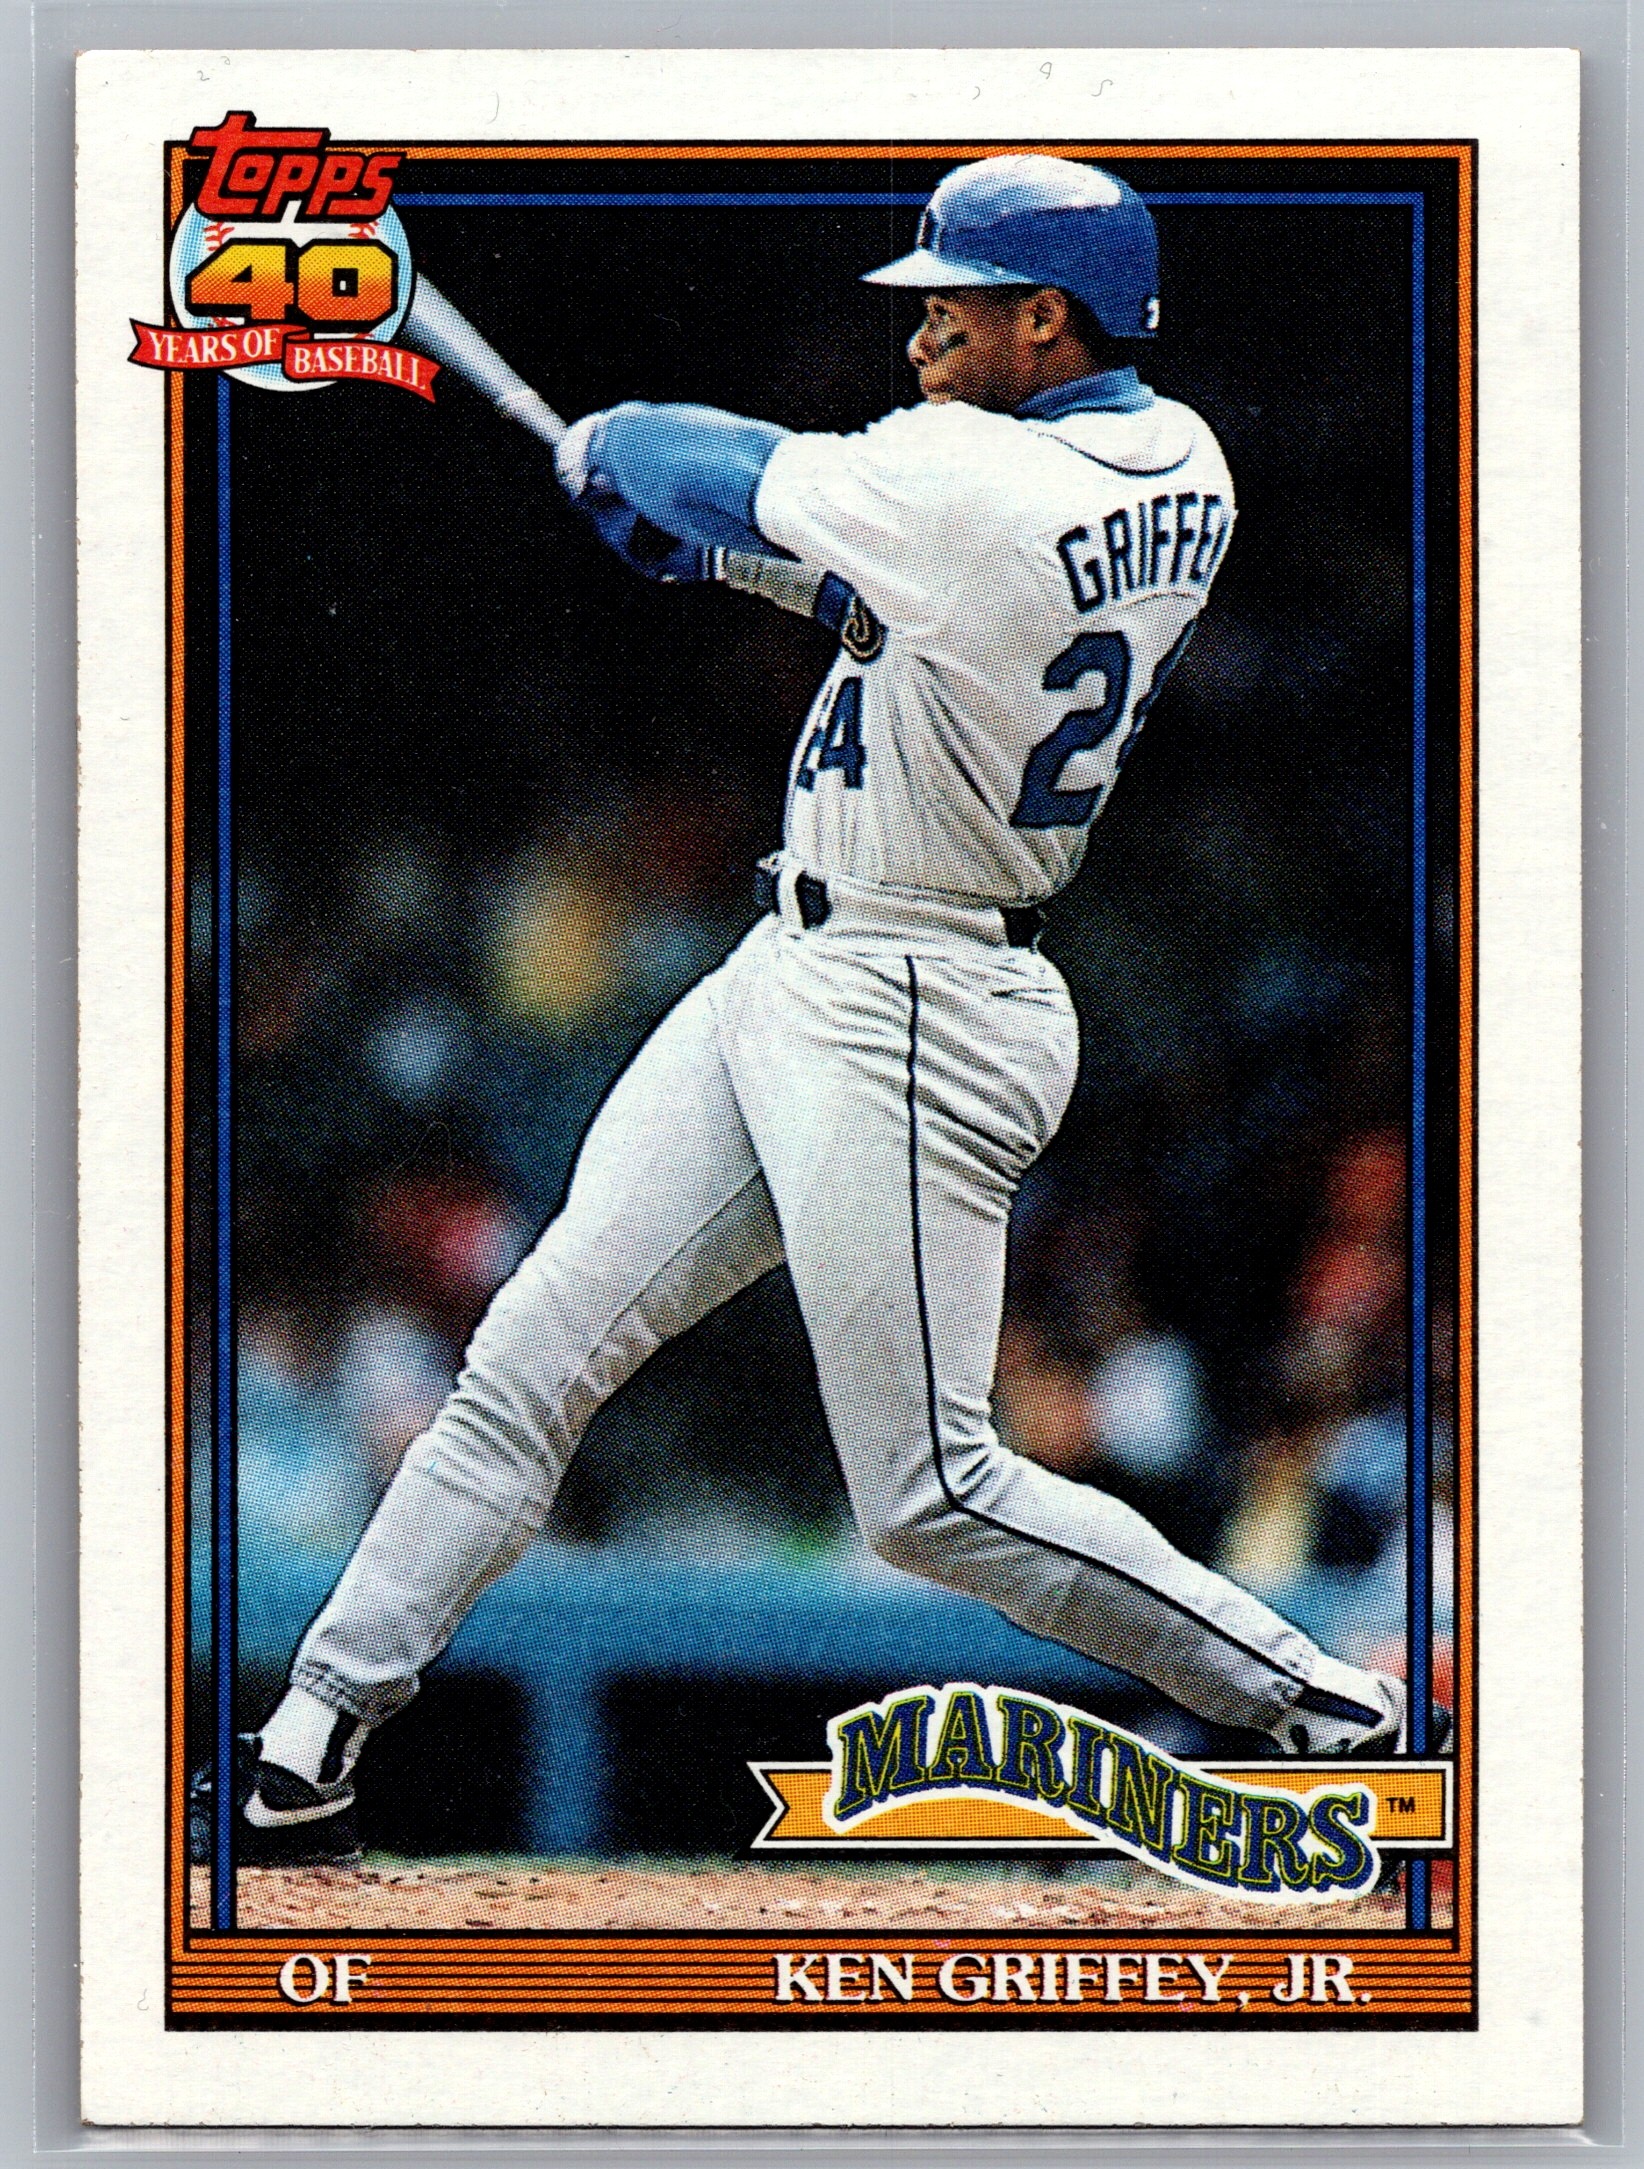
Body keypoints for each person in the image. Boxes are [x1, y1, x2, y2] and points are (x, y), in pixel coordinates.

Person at [199, 155, 1430, 1869]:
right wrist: (739, 560)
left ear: (1049, 318)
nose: (918, 335)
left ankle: (1334, 1709)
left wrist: (615, 449)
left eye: (952, 307)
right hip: (806, 962)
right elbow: (902, 598)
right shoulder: (1182, 461)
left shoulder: (966, 471)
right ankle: (309, 1744)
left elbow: (691, 458)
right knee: (531, 1352)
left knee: (930, 1493)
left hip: (918, 998)